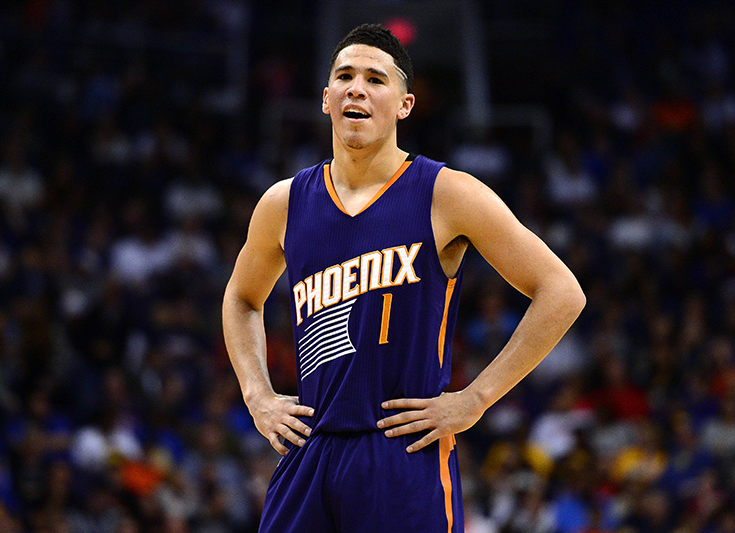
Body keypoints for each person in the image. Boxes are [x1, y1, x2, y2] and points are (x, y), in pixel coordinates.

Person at [222, 23, 585, 533]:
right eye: (345, 76)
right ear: (326, 99)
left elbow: (562, 291)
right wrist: (257, 393)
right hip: (311, 447)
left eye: (375, 79)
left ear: (404, 105)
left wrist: (475, 399)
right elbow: (241, 298)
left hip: (402, 452)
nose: (357, 88)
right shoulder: (283, 203)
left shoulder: (447, 193)